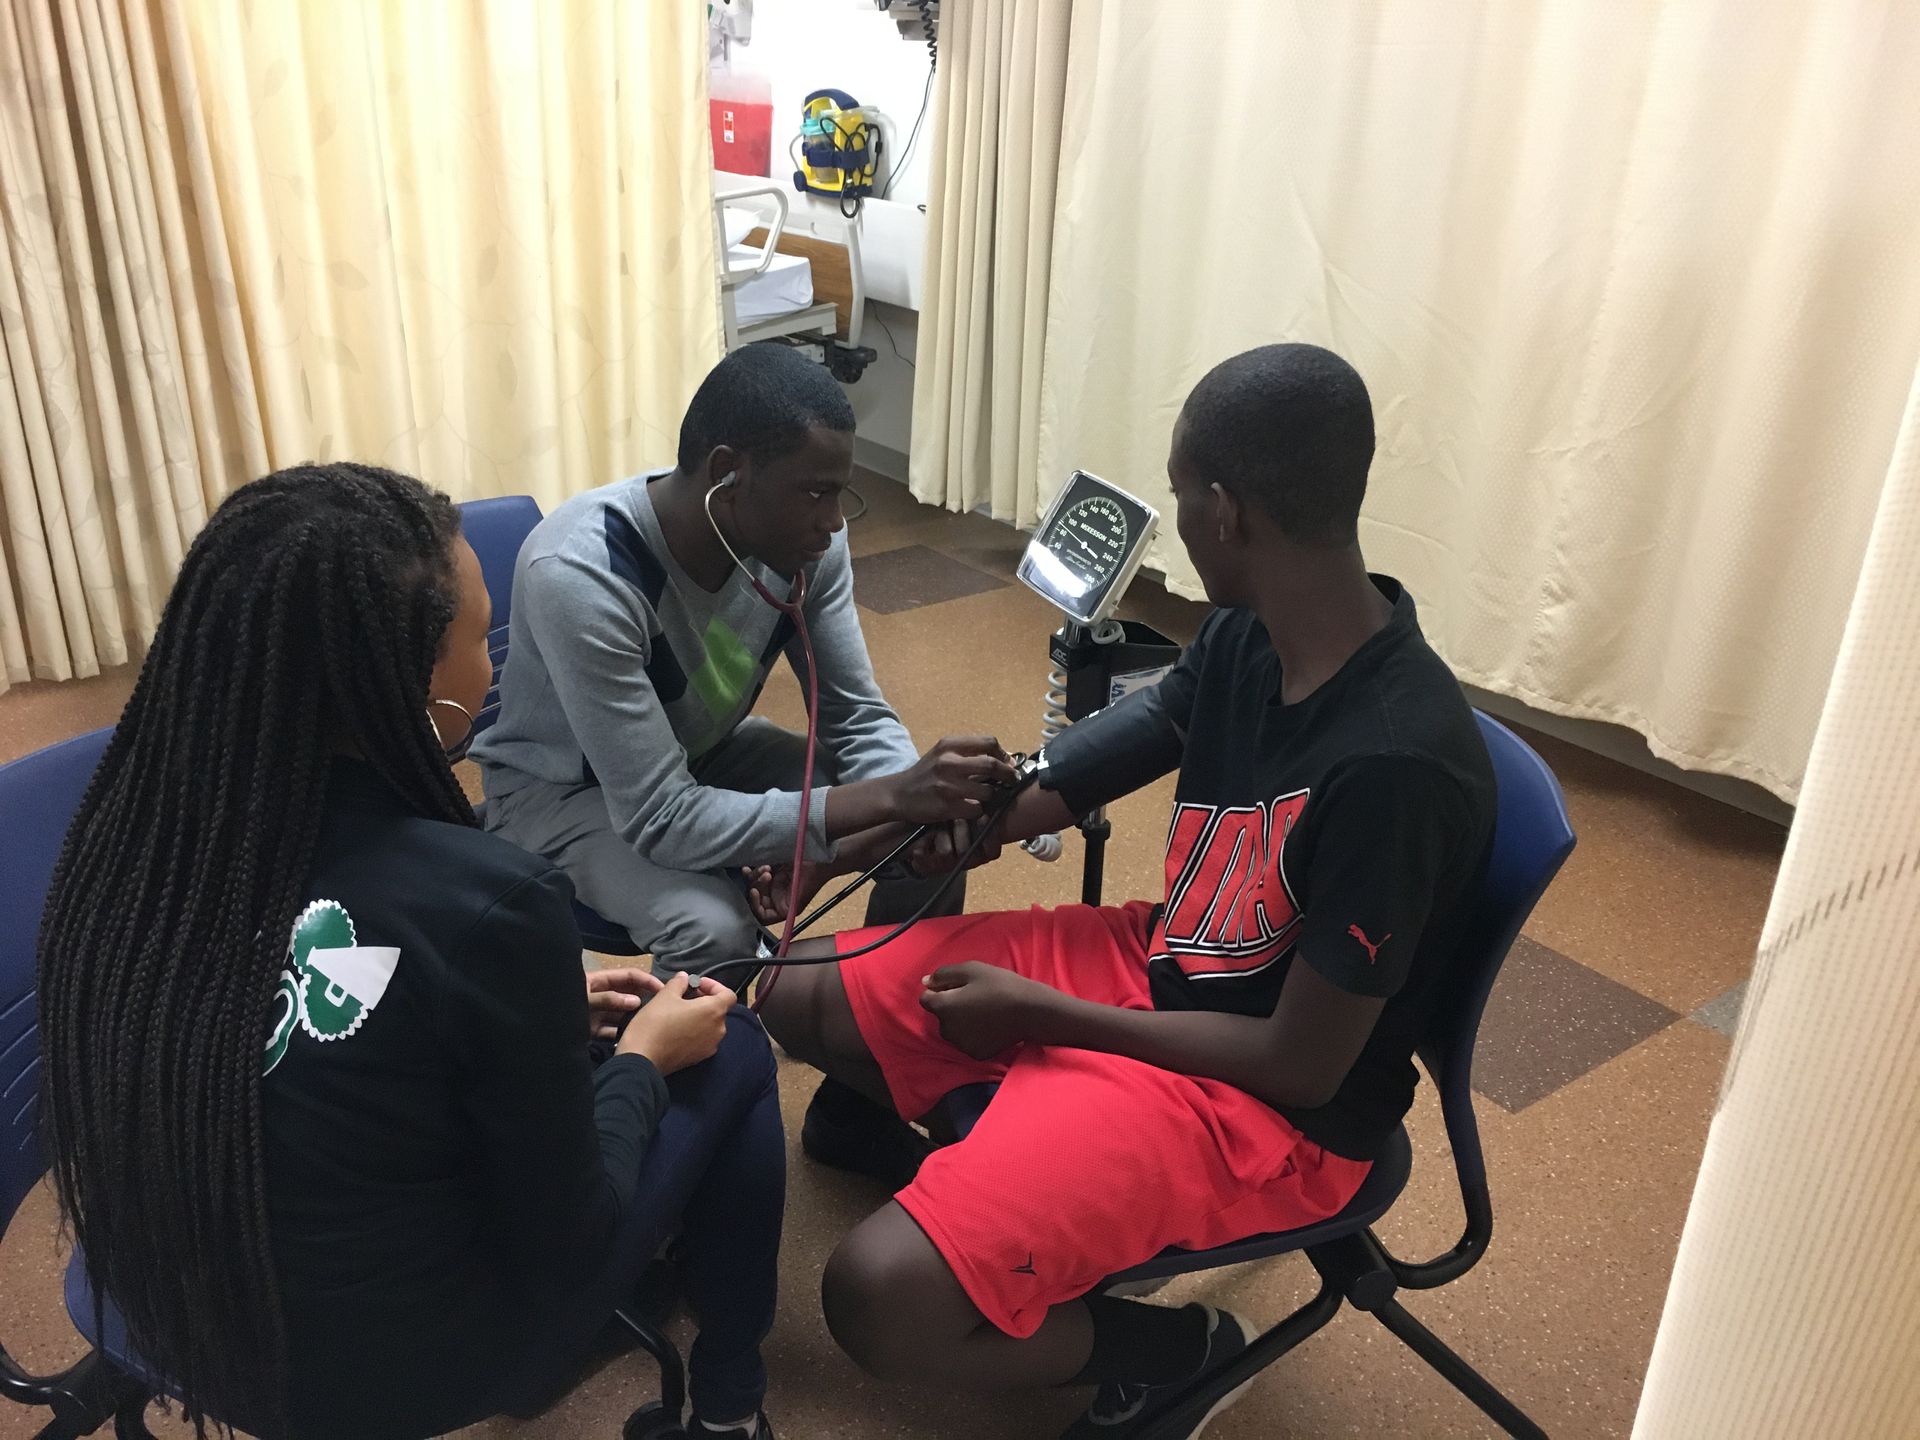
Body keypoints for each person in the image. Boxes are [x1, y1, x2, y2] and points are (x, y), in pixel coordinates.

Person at [757, 345, 1498, 1438]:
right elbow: (1087, 766)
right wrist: (932, 824)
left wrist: (1047, 1020)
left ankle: (1180, 1355)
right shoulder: (1255, 636)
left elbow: (1303, 1066)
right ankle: (934, 1136)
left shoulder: (1397, 766)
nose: (1177, 517)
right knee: (796, 985)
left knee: (875, 1297)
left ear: (1224, 510)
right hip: (1170, 967)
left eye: (1179, 491)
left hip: (1271, 1107)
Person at [37, 464, 784, 1440]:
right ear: (415, 686)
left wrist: (543, 1013)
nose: (495, 671)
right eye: (482, 640)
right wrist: (643, 1057)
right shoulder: (490, 902)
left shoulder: (126, 842)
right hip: (386, 1370)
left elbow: (320, 1032)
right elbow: (569, 1236)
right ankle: (731, 1408)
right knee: (729, 1052)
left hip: (163, 1292)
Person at [471, 341, 1012, 1184]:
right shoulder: (584, 571)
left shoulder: (801, 545)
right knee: (716, 924)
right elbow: (658, 815)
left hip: (702, 749)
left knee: (918, 840)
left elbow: (855, 711)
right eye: (816, 492)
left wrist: (908, 802)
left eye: (841, 492)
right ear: (728, 475)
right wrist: (844, 818)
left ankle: (855, 1102)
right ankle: (688, 1164)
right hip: (560, 793)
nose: (835, 521)